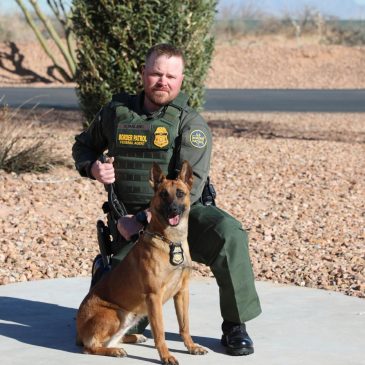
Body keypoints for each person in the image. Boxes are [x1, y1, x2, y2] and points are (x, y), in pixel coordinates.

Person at [72, 43, 261, 356]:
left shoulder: (190, 124)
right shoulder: (116, 113)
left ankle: (236, 324)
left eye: (171, 76)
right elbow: (82, 146)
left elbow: (191, 187)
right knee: (123, 323)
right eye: (156, 73)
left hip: (182, 217)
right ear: (143, 74)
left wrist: (144, 219)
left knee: (229, 233)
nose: (163, 81)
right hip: (128, 228)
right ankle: (105, 271)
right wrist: (93, 166)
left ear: (181, 79)